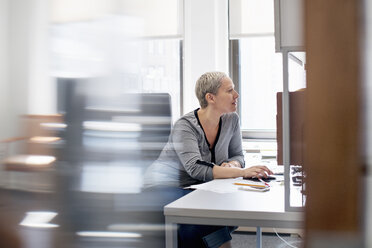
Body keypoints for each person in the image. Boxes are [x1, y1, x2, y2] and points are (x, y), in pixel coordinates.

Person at [144, 71, 273, 248]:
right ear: (211, 97)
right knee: (207, 214)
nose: (236, 95)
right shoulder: (185, 126)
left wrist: (232, 164)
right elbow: (195, 168)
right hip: (164, 186)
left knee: (214, 213)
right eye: (230, 91)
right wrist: (241, 172)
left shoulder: (232, 119)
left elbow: (238, 155)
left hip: (198, 185)